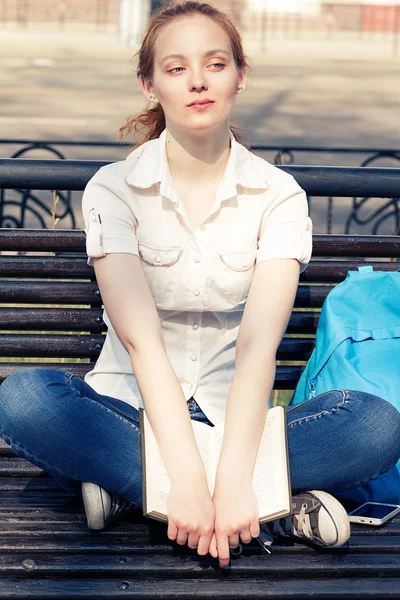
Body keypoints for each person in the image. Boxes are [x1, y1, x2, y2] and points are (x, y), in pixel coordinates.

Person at [0, 0, 399, 572]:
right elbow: (142, 343)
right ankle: (271, 507)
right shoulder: (114, 189)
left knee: (377, 424)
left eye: (214, 64)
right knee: (26, 400)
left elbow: (258, 346)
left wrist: (232, 475)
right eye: (176, 67)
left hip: (230, 420)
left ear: (240, 74)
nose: (197, 82)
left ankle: (137, 496)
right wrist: (187, 481)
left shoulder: (279, 196)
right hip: (128, 414)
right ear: (150, 82)